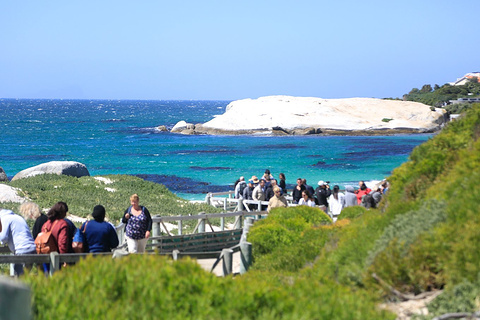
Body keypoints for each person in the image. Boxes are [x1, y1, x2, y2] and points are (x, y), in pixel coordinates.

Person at [0, 208, 36, 276]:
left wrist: (2, 242)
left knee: (18, 277)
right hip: (32, 249)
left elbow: (3, 237)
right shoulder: (17, 217)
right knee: (25, 276)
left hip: (22, 250)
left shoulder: (4, 219)